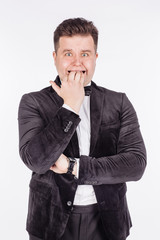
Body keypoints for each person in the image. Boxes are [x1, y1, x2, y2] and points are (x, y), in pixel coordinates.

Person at [18, 18, 146, 240]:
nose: (77, 63)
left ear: (95, 58)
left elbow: (136, 164)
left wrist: (73, 167)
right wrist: (71, 106)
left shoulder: (119, 102)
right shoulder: (32, 102)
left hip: (108, 222)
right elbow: (36, 160)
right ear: (55, 57)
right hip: (49, 222)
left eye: (85, 54)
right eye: (68, 54)